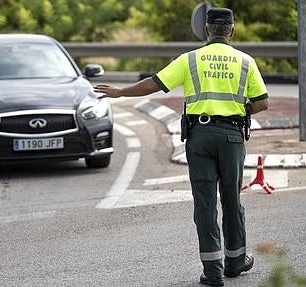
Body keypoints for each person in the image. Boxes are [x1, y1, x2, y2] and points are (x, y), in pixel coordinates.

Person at [94, 7, 269, 286]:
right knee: (232, 200)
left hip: (199, 136)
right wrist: (238, 110)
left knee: (205, 203)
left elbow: (155, 83)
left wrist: (119, 92)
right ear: (232, 30)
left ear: (207, 30)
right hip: (232, 137)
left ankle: (213, 272)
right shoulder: (245, 61)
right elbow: (262, 103)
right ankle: (236, 262)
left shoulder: (190, 60)